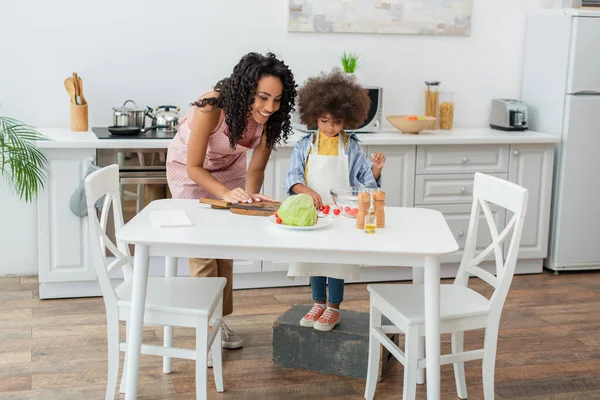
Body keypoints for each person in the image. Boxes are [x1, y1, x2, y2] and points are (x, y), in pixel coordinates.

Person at [167, 52, 297, 349]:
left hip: (228, 169)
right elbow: (194, 167)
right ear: (246, 90)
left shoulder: (270, 120)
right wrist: (225, 194)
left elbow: (256, 168)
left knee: (223, 245)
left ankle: (219, 321)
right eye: (263, 98)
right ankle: (206, 324)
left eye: (277, 100)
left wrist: (249, 197)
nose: (269, 107)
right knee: (202, 247)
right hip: (191, 170)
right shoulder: (211, 107)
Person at [283, 69, 386, 331]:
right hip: (314, 214)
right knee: (316, 260)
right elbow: (292, 178)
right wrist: (308, 192)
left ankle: (334, 308)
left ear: (347, 120)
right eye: (324, 121)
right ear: (314, 117)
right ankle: (318, 303)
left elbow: (364, 181)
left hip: (341, 214)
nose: (331, 127)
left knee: (337, 262)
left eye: (337, 122)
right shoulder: (304, 145)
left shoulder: (351, 145)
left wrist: (375, 170)